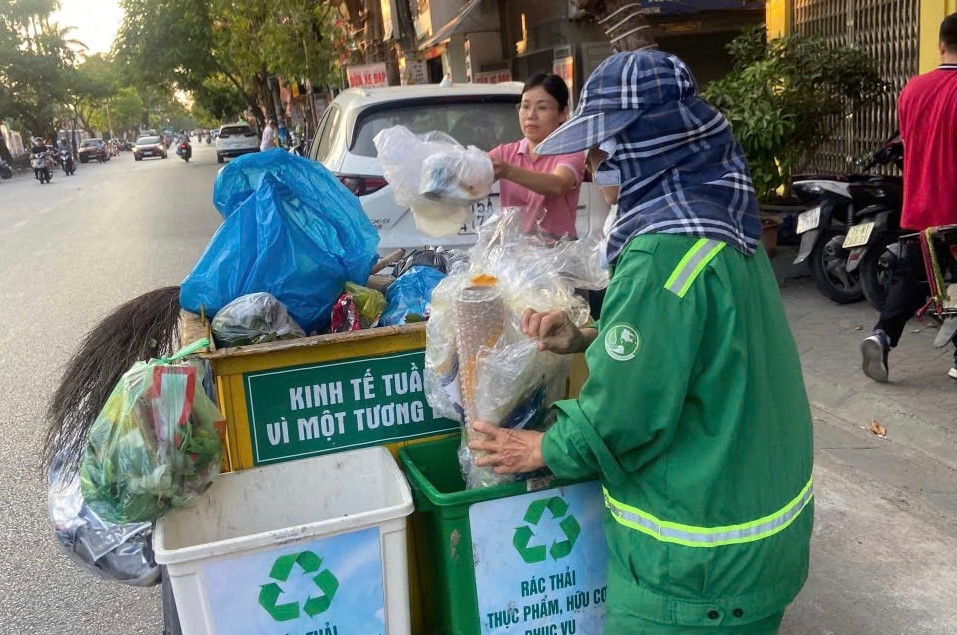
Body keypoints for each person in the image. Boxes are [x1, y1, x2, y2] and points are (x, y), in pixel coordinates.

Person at [469, 51, 813, 634]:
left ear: (648, 144)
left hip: (694, 567)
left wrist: (544, 449)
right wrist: (587, 337)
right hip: (761, 529)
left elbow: (626, 413)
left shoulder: (662, 251)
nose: (595, 163)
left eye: (604, 147)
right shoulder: (721, 218)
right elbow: (705, 344)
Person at [861, 12, 957, 382]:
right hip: (954, 207)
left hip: (920, 206)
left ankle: (882, 335)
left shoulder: (913, 89)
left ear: (940, 44)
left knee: (913, 276)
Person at [488, 74, 586, 240]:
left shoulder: (570, 151)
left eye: (542, 108)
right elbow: (470, 174)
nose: (531, 115)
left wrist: (508, 171)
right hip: (513, 255)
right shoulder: (505, 153)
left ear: (563, 113)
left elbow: (559, 184)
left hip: (558, 256)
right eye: (525, 106)